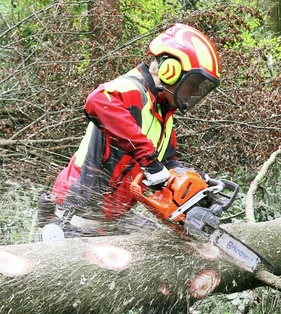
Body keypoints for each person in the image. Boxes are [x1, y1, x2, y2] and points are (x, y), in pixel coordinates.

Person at [37, 23, 221, 241]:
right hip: (74, 216)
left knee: (166, 242)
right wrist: (149, 159)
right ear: (170, 70)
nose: (195, 92)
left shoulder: (163, 114)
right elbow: (97, 100)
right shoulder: (132, 89)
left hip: (113, 219)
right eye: (194, 83)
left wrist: (196, 182)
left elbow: (168, 163)